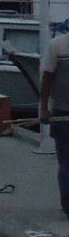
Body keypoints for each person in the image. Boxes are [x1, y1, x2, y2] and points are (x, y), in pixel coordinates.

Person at [37, 29, 69, 220]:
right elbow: (47, 77)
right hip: (62, 112)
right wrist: (44, 108)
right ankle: (67, 201)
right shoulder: (57, 45)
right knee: (66, 160)